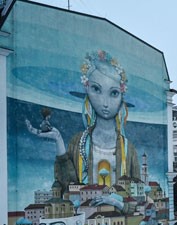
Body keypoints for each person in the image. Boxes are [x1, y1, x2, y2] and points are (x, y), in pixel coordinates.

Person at [25, 50, 140, 211]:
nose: (105, 102)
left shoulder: (129, 149)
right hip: (85, 219)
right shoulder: (78, 141)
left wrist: (115, 203)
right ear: (87, 91)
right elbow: (68, 186)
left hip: (117, 220)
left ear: (121, 98)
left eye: (113, 93)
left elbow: (137, 200)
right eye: (96, 89)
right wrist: (58, 140)